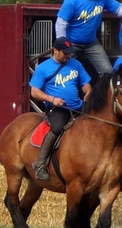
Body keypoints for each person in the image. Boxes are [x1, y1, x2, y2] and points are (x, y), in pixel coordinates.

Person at [29, 36, 92, 181]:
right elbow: (35, 92)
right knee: (57, 128)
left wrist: (88, 92)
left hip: (78, 107)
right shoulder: (43, 68)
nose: (68, 55)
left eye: (70, 52)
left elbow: (86, 84)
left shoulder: (76, 64)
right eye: (65, 52)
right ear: (55, 51)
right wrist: (52, 99)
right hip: (57, 109)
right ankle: (40, 163)